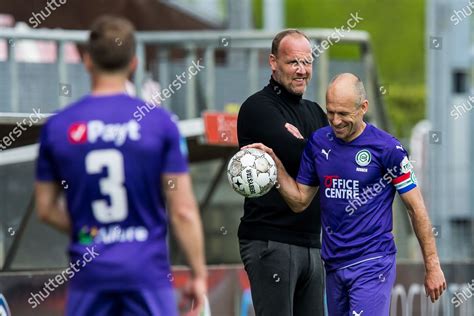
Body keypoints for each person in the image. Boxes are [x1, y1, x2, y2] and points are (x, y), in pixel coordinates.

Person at [34, 15, 207, 316]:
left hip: (90, 276)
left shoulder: (58, 127)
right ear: (134, 63)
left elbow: (45, 208)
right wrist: (198, 274)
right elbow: (182, 211)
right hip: (147, 274)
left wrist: (92, 231)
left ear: (87, 61)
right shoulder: (160, 124)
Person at [245, 73, 447, 316]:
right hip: (333, 265)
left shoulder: (388, 149)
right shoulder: (319, 143)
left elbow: (416, 208)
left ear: (363, 108)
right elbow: (299, 201)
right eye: (330, 113)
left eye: (343, 114)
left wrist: (432, 265)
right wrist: (274, 166)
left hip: (372, 263)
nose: (335, 121)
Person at [237, 29, 328, 315]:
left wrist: (304, 143)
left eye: (307, 62)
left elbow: (332, 160)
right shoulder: (257, 108)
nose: (302, 71)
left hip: (313, 243)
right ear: (273, 63)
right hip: (272, 241)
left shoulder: (315, 112)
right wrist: (310, 146)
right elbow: (306, 157)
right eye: (293, 63)